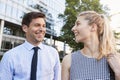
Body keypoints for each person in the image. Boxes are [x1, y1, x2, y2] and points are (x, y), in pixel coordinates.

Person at [0, 12, 61, 80]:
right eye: (37, 25)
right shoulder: (10, 56)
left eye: (43, 26)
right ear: (25, 28)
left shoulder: (53, 53)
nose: (41, 29)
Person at [62, 11, 120, 80]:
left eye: (78, 24)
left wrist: (118, 73)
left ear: (93, 27)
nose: (73, 28)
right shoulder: (68, 60)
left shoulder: (116, 59)